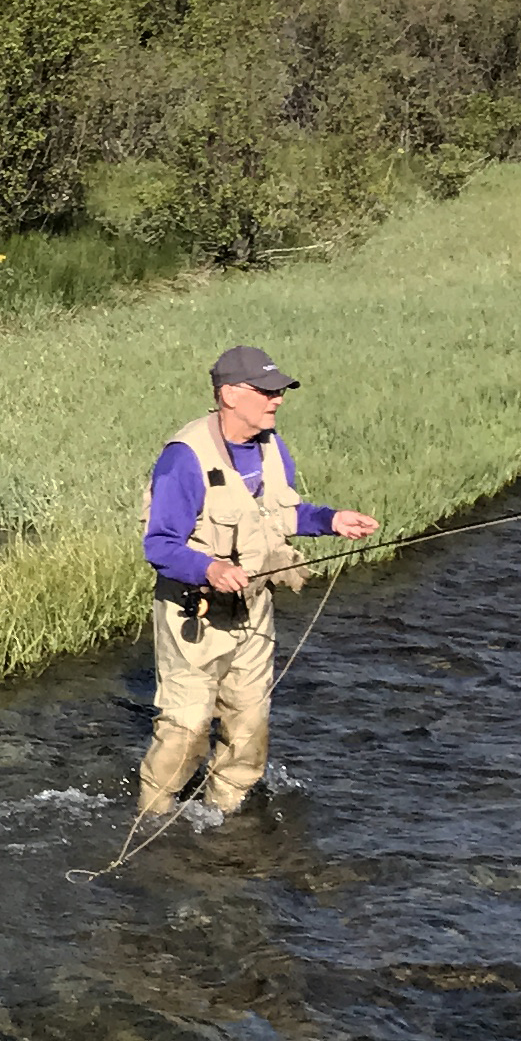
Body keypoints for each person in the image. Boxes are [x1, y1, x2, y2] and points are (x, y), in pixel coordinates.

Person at [137, 343, 378, 821]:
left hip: (253, 609)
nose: (278, 399)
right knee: (186, 731)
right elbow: (159, 545)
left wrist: (331, 520)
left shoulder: (271, 446)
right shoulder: (184, 458)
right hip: (193, 613)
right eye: (267, 391)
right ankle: (152, 821)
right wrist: (210, 569)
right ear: (229, 394)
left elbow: (281, 513)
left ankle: (223, 820)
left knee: (248, 730)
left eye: (279, 391)